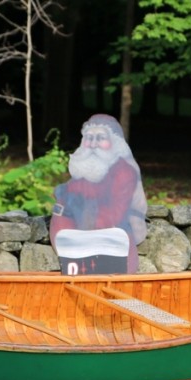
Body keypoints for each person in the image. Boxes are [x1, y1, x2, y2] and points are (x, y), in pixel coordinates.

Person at [49, 114, 148, 273]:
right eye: (89, 138)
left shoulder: (123, 172)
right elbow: (64, 203)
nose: (93, 144)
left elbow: (114, 216)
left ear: (113, 142)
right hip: (74, 245)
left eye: (100, 138)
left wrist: (80, 208)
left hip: (110, 246)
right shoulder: (83, 171)